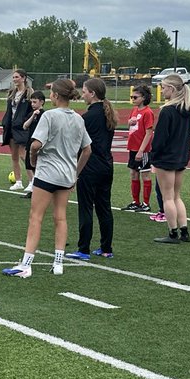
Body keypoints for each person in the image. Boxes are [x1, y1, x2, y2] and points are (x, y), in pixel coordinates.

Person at [3, 79, 91, 278]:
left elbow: (35, 145)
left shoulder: (49, 116)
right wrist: (76, 173)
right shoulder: (78, 118)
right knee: (60, 217)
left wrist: (33, 160)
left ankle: (26, 264)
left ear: (57, 96)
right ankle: (58, 263)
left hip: (48, 173)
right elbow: (87, 149)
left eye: (52, 93)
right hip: (67, 175)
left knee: (36, 217)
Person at [67, 78, 116, 260]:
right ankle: (106, 247)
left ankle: (83, 249)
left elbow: (78, 144)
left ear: (93, 93)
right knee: (104, 208)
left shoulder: (87, 117)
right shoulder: (108, 114)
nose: (83, 94)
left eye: (85, 91)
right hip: (106, 166)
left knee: (86, 208)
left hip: (90, 167)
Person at [149, 74, 190, 244]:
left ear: (172, 89)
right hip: (180, 157)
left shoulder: (167, 111)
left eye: (164, 87)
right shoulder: (187, 110)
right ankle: (184, 231)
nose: (161, 90)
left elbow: (160, 138)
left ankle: (172, 232)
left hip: (166, 158)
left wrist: (154, 155)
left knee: (167, 197)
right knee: (176, 196)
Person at [0, 68, 35, 191]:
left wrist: (25, 121)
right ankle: (18, 181)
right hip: (11, 128)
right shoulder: (11, 93)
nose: (15, 79)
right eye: (13, 77)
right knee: (14, 156)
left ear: (24, 78)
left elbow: (32, 110)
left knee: (23, 155)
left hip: (22, 128)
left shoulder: (30, 93)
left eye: (17, 77)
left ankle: (32, 181)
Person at [122, 84, 154, 212]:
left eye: (135, 97)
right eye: (132, 97)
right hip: (133, 148)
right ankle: (136, 201)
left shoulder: (147, 112)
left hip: (142, 150)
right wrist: (129, 122)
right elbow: (132, 125)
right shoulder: (135, 110)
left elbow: (148, 132)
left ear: (143, 97)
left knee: (145, 175)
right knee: (133, 174)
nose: (133, 99)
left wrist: (141, 150)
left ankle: (146, 203)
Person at [19, 91, 47, 199]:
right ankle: (34, 188)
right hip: (30, 143)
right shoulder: (31, 114)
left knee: (39, 167)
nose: (32, 104)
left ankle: (38, 190)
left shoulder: (44, 115)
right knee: (30, 166)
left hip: (39, 144)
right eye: (31, 102)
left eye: (35, 102)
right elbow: (25, 126)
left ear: (41, 102)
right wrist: (33, 116)